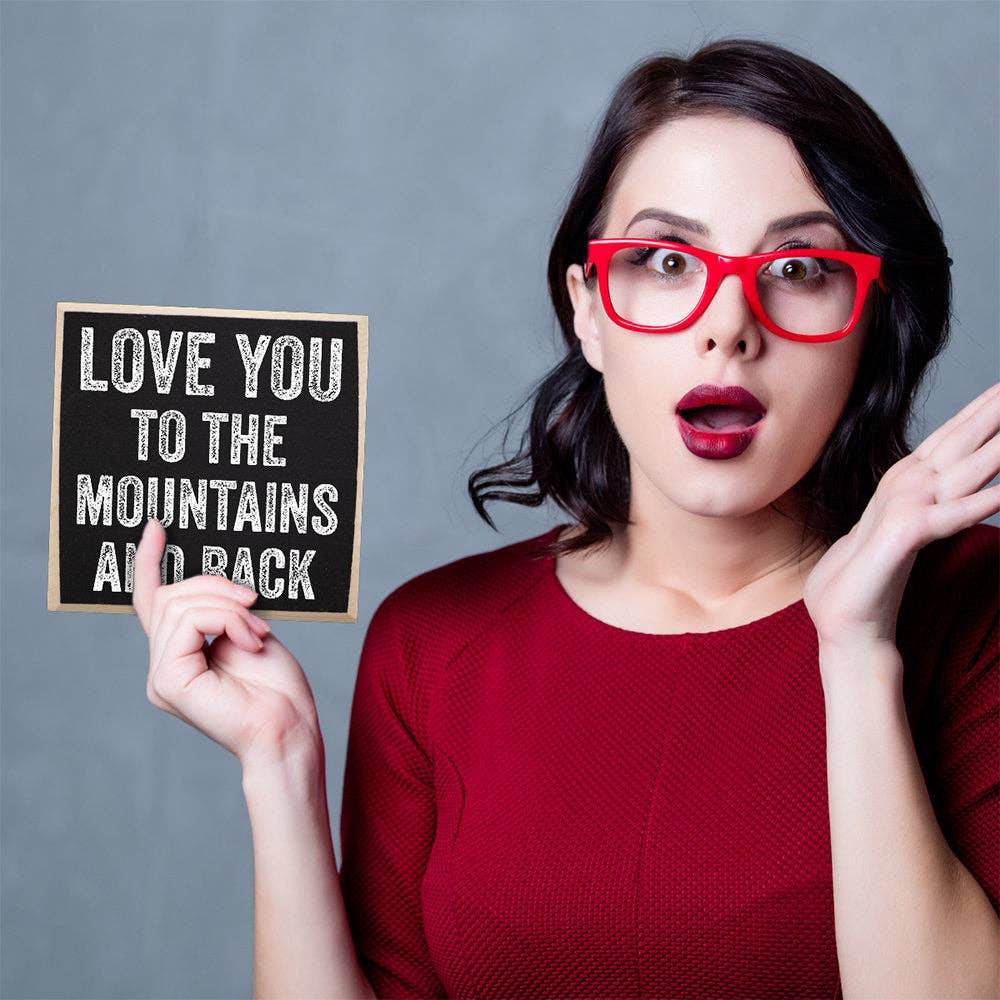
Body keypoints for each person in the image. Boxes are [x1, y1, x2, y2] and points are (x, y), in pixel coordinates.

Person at [133, 38, 1000, 1000]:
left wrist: (856, 649)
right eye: (668, 260)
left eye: (800, 268)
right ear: (587, 308)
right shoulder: (433, 646)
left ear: (871, 317)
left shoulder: (974, 609)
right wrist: (279, 766)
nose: (729, 323)